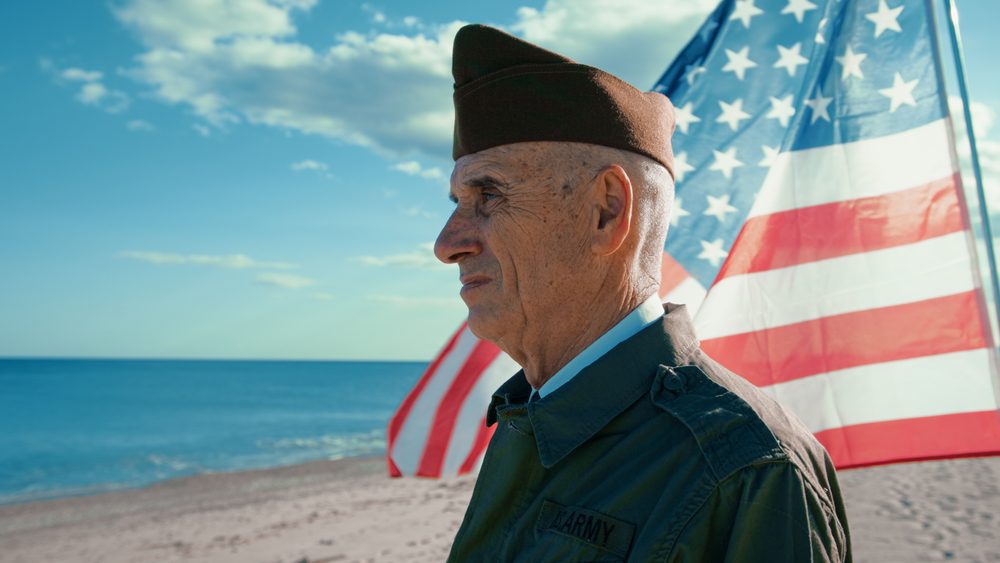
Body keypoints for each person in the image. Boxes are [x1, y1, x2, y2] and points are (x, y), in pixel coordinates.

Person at [435, 24, 852, 562]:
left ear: (607, 211)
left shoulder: (748, 472)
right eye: (457, 201)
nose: (447, 243)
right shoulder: (529, 418)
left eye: (488, 194)